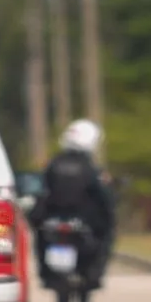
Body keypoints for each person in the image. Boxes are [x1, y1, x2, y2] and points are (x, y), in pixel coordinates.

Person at [32, 119, 117, 289]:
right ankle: (94, 275)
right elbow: (102, 196)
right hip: (82, 220)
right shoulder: (90, 168)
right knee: (108, 232)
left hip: (54, 218)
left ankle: (47, 275)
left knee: (39, 235)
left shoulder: (53, 164)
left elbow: (42, 190)